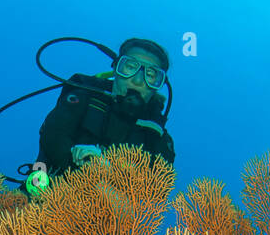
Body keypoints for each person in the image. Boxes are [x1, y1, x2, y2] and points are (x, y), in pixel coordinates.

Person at [33, 38, 175, 187]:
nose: (138, 80)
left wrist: (108, 169)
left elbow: (159, 187)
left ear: (158, 85)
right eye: (130, 67)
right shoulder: (82, 99)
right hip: (45, 197)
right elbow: (53, 137)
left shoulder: (156, 137)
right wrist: (88, 167)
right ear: (116, 68)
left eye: (151, 75)